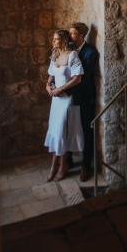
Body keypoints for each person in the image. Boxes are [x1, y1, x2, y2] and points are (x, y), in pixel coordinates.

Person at [44, 29, 84, 182]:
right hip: (56, 101)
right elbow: (51, 76)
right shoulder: (55, 55)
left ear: (63, 40)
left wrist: (60, 88)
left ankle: (63, 166)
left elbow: (78, 78)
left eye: (56, 39)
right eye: (53, 39)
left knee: (62, 132)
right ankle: (54, 166)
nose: (53, 42)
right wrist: (48, 86)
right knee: (55, 132)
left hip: (67, 99)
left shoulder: (72, 55)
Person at [66, 22, 97, 182]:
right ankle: (68, 160)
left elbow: (84, 79)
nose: (69, 36)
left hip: (84, 96)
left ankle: (86, 165)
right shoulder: (69, 48)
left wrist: (66, 90)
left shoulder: (90, 53)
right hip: (69, 96)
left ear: (80, 36)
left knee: (86, 129)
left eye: (72, 33)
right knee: (68, 128)